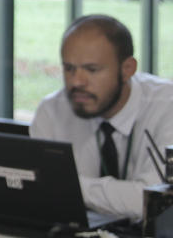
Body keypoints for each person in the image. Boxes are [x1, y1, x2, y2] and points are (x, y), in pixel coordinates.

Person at [30, 14, 173, 220]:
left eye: (92, 70)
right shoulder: (52, 111)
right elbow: (41, 193)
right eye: (69, 68)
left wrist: (69, 185)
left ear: (127, 69)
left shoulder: (166, 106)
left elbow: (154, 201)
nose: (77, 82)